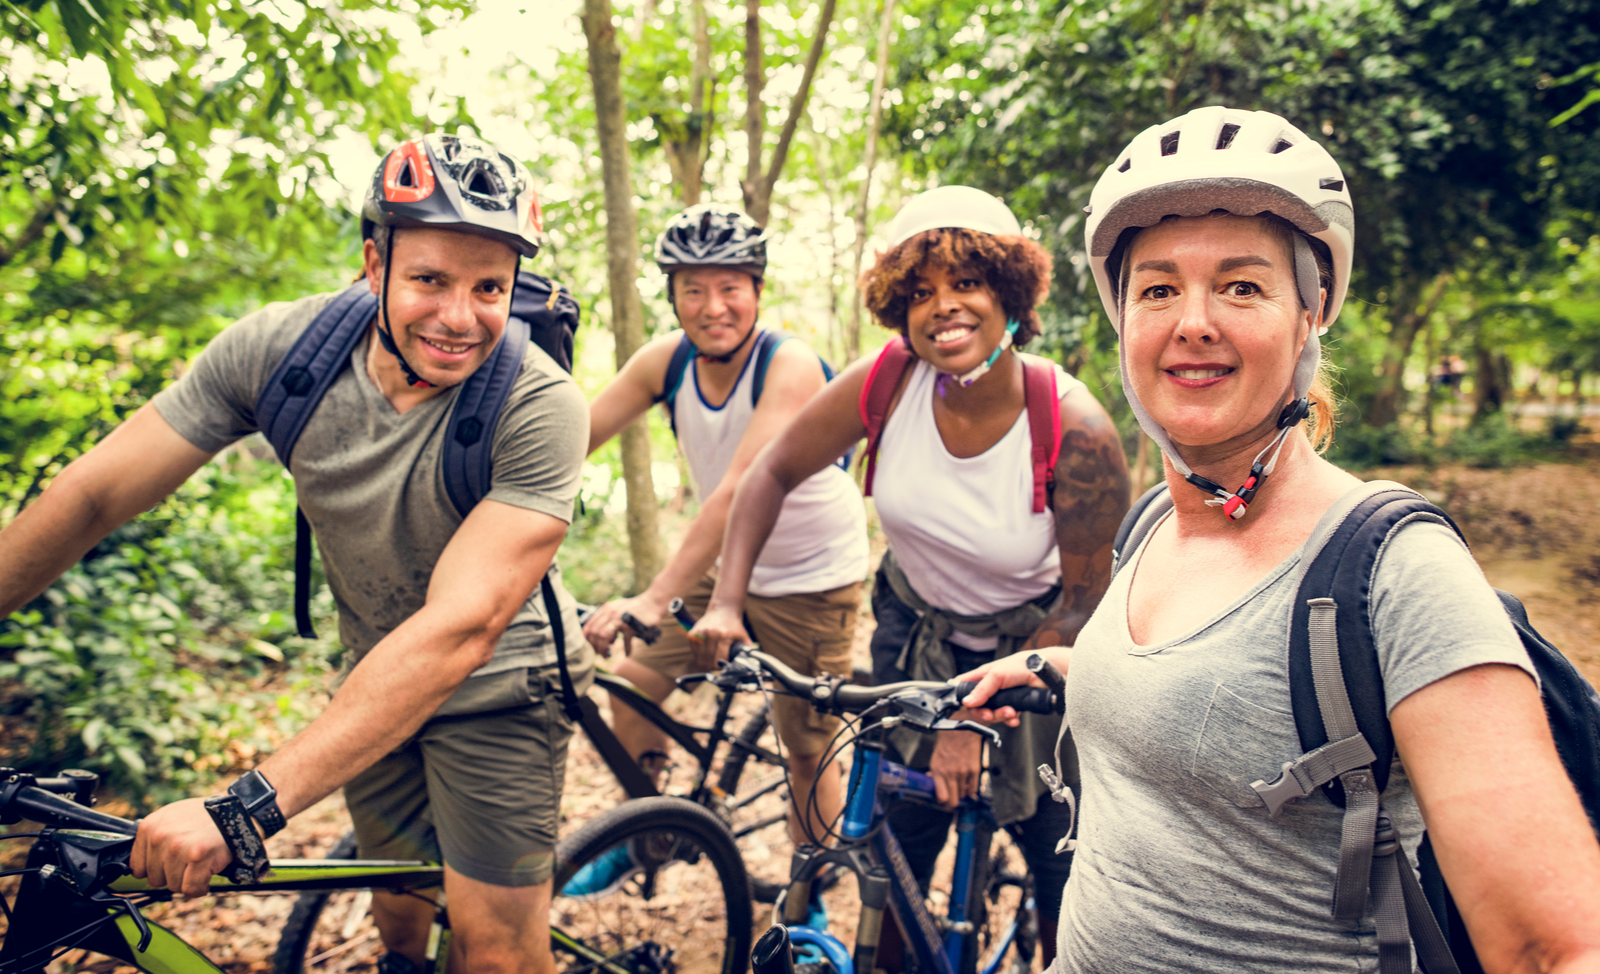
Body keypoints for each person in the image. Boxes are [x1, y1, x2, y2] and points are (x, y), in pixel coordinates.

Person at [958, 106, 1600, 972]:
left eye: (1241, 285)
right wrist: (1064, 668)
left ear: (1310, 313)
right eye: (1157, 287)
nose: (1193, 320)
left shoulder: (1394, 571)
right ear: (1122, 321)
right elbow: (1217, 691)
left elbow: (1553, 946)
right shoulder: (1152, 524)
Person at [0, 133, 592, 974]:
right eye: (430, 279)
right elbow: (94, 494)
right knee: (398, 915)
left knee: (493, 949)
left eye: (488, 287)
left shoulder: (540, 403)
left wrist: (244, 809)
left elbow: (465, 626)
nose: (461, 317)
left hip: (502, 687)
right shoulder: (284, 354)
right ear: (372, 264)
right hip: (373, 676)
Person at [691, 186, 1131, 965]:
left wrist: (969, 716)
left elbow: (1086, 600)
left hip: (1037, 645)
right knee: (894, 848)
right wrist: (727, 601)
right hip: (916, 631)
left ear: (1010, 292)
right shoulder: (887, 381)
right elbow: (769, 473)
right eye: (920, 291)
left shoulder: (1075, 427)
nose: (943, 307)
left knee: (1060, 850)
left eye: (966, 283)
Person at [581, 204, 869, 906]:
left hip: (810, 574)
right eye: (693, 290)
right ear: (673, 295)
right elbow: (570, 440)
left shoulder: (789, 362)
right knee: (631, 683)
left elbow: (741, 485)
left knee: (807, 746)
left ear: (758, 290)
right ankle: (648, 831)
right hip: (721, 572)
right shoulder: (665, 363)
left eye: (730, 287)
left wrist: (654, 596)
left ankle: (809, 905)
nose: (713, 307)